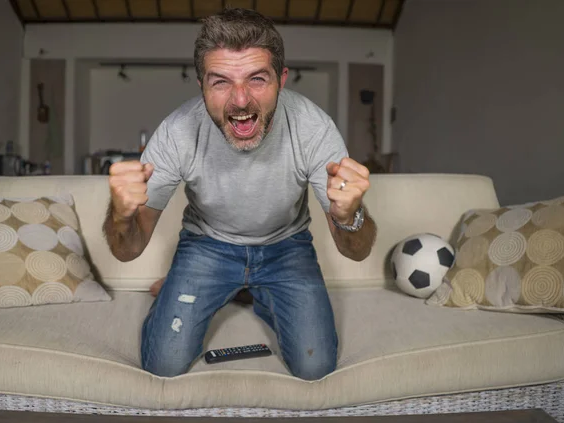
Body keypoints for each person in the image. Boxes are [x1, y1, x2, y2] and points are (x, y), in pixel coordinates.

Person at [102, 8, 377, 381]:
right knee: (162, 365)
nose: (241, 101)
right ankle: (213, 287)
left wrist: (350, 216)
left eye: (257, 79)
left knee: (315, 367)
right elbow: (127, 249)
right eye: (221, 82)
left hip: (287, 247)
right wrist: (120, 214)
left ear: (281, 79)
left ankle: (252, 291)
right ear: (201, 84)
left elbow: (355, 250)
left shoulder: (313, 127)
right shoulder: (176, 133)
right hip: (206, 247)